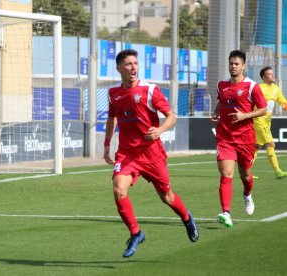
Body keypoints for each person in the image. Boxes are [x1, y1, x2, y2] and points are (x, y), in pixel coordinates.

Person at [103, 49, 199, 258]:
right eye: (128, 64)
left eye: (136, 63)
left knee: (167, 197)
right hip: (127, 153)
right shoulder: (113, 94)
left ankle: (186, 218)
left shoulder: (149, 90)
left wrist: (160, 130)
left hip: (152, 154)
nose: (133, 67)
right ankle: (136, 233)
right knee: (119, 190)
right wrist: (106, 144)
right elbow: (112, 119)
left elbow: (171, 116)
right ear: (119, 68)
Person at [211, 50, 267, 229]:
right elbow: (222, 101)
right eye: (231, 63)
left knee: (246, 175)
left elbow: (263, 109)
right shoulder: (221, 85)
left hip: (245, 138)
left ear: (244, 66)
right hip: (225, 137)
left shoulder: (252, 86)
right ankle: (226, 212)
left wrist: (244, 116)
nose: (233, 66)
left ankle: (247, 194)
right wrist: (216, 112)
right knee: (226, 173)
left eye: (237, 64)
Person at [253, 66, 287, 178]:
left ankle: (247, 172)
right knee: (270, 143)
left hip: (267, 121)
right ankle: (277, 171)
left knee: (256, 146)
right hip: (258, 120)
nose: (272, 75)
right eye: (269, 74)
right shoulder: (258, 88)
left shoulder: (276, 88)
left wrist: (285, 106)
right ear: (264, 77)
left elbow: (283, 102)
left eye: (272, 73)